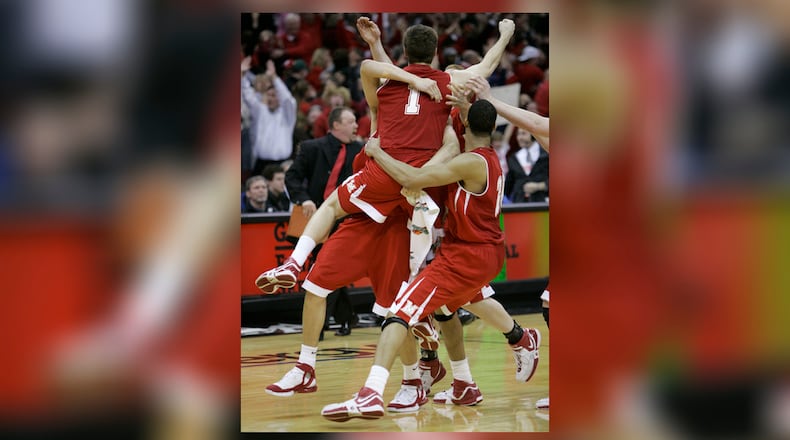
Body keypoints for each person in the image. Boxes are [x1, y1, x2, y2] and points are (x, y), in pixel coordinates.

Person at [259, 18, 516, 412]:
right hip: (415, 195)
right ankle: (424, 372)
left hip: (400, 184)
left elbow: (374, 70)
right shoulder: (448, 86)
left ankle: (430, 371)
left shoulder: (394, 84)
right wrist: (505, 36)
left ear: (403, 56)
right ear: (435, 55)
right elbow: (485, 66)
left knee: (408, 304)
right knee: (396, 303)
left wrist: (382, 53)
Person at [321, 100, 538, 421]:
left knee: (400, 311)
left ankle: (371, 393)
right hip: (467, 249)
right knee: (448, 309)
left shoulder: (470, 162)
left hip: (469, 254)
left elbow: (412, 178)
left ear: (464, 124)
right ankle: (468, 380)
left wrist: (378, 153)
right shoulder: (484, 158)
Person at [283, 106, 362, 340]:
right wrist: (304, 198)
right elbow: (292, 177)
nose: (356, 125)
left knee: (330, 266)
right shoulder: (311, 147)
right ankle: (346, 317)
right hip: (313, 216)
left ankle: (323, 323)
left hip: (344, 218)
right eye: (351, 121)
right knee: (322, 268)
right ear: (336, 125)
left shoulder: (361, 150)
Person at [241, 57, 296, 177]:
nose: (272, 98)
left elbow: (287, 99)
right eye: (269, 95)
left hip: (282, 163)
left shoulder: (287, 114)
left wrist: (274, 77)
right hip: (261, 163)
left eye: (275, 95)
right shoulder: (261, 110)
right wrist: (243, 76)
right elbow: (247, 95)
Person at [505, 127, 549, 203]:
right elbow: (509, 184)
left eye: (523, 134)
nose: (520, 138)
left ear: (533, 134)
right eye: (518, 134)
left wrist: (539, 186)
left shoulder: (546, 153)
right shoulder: (513, 158)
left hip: (543, 203)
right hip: (520, 204)